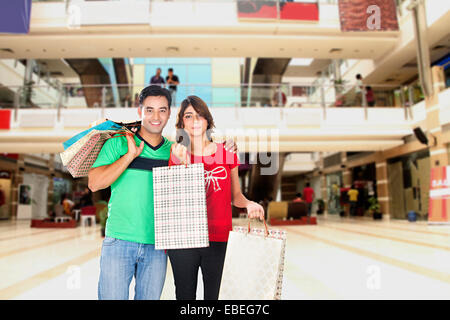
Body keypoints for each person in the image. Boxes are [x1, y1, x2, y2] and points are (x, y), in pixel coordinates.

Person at [168, 95, 264, 300]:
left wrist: (249, 204)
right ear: (181, 122)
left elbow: (236, 196)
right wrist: (180, 164)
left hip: (219, 237)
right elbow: (174, 200)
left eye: (200, 115)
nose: (195, 121)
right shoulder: (175, 153)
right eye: (188, 116)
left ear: (208, 121)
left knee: (215, 297)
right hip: (184, 239)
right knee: (184, 297)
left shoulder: (226, 153)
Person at [89, 85, 174, 300]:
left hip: (157, 246)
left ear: (169, 113)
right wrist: (129, 156)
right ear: (139, 111)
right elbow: (94, 183)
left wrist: (226, 148)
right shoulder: (118, 143)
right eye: (149, 109)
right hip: (119, 241)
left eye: (162, 110)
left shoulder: (173, 151)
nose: (156, 116)